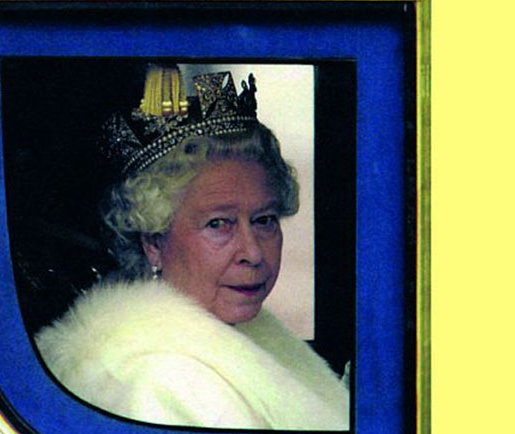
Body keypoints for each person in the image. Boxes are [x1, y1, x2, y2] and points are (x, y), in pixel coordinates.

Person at [35, 65, 349, 430]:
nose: (253, 253)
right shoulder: (155, 382)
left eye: (264, 220)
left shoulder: (245, 337)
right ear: (154, 242)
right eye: (218, 224)